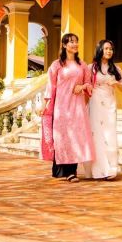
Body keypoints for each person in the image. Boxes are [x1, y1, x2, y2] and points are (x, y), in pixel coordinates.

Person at [41, 33, 93, 182]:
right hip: (61, 106)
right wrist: (45, 104)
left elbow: (89, 84)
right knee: (62, 137)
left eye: (76, 42)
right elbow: (50, 86)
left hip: (77, 106)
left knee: (75, 137)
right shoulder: (56, 65)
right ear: (64, 45)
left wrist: (82, 86)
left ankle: (72, 172)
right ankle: (61, 169)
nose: (75, 44)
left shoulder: (82, 65)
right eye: (71, 42)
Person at [78, 39, 122, 180]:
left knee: (109, 134)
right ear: (100, 50)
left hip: (110, 103)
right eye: (106, 49)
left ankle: (110, 169)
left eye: (111, 49)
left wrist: (116, 83)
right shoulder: (91, 68)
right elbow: (85, 86)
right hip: (95, 103)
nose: (109, 51)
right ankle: (96, 170)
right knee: (96, 134)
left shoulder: (115, 69)